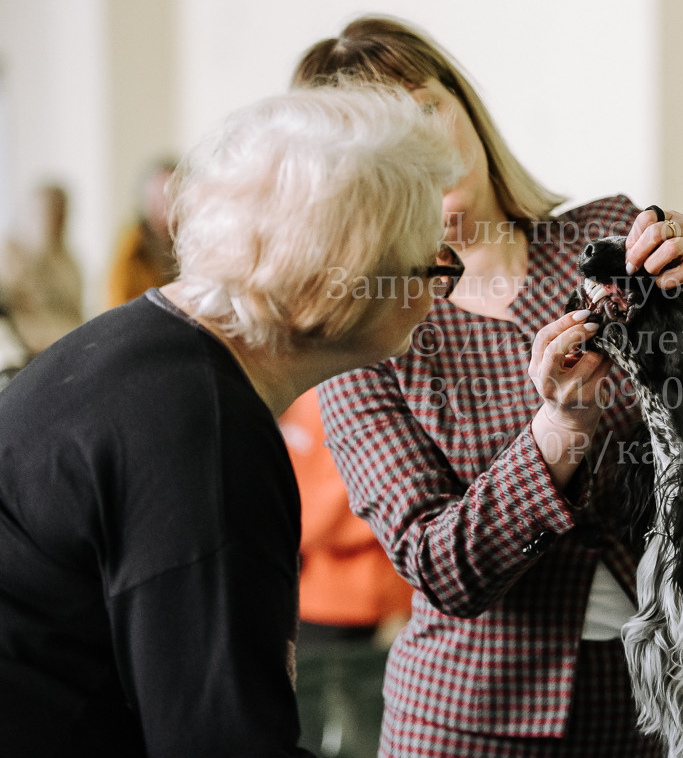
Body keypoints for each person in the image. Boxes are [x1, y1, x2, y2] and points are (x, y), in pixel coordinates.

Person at [293, 15, 683, 757]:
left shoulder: (608, 241)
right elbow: (437, 565)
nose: (423, 143)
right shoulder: (363, 338)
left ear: (466, 108)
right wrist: (557, 433)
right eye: (387, 135)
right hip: (468, 721)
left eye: (428, 108)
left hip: (666, 701)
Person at [0, 82, 461, 757]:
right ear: (337, 282)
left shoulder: (134, 348)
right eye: (428, 264)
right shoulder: (205, 438)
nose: (442, 288)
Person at [279, 386, 414, 758]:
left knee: (369, 731)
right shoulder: (307, 399)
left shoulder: (380, 398)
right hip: (317, 605)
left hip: (376, 606)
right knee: (310, 727)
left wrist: (402, 609)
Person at [0, 181, 83, 353]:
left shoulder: (68, 262)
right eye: (50, 213)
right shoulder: (10, 255)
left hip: (69, 341)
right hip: (29, 347)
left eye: (61, 214)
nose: (57, 221)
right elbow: (14, 315)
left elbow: (76, 313)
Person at [106, 157, 178, 308]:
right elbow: (117, 302)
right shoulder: (131, 245)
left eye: (173, 198)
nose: (165, 208)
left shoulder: (195, 241)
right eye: (158, 199)